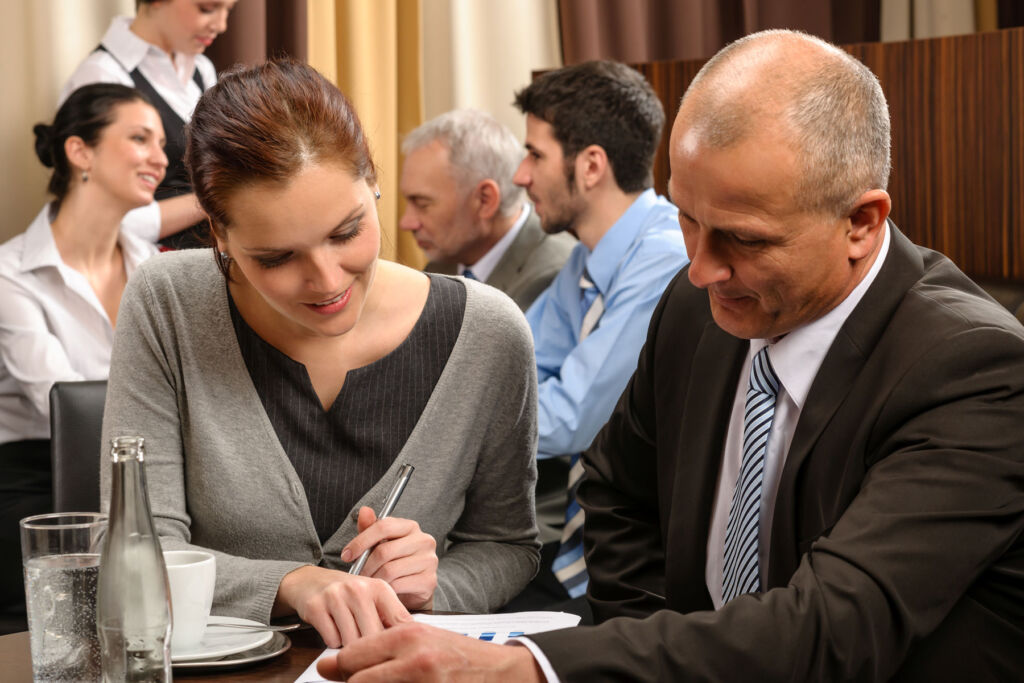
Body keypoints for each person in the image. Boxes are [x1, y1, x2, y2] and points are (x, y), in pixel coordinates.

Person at [317, 29, 1024, 682]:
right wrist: (651, 654)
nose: (700, 268)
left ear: (862, 223)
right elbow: (617, 487)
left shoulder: (975, 373)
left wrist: (525, 668)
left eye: (744, 239)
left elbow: (829, 628)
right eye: (687, 217)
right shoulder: (700, 307)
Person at [99, 59, 541, 649]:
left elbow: (508, 546)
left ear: (373, 181)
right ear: (220, 235)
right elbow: (137, 554)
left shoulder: (490, 334)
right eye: (277, 259)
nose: (327, 280)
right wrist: (294, 585)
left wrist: (436, 586)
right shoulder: (168, 304)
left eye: (346, 231)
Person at [503, 60, 688, 614]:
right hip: (587, 548)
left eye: (535, 154)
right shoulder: (589, 259)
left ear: (590, 166)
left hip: (645, 569)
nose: (521, 174)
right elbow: (515, 371)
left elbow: (566, 420)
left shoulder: (663, 260)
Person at [0, 83, 165, 626]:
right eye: (140, 138)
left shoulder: (157, 271)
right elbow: (63, 406)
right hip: (36, 478)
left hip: (141, 469)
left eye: (162, 143)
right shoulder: (10, 274)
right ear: (80, 152)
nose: (161, 159)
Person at [61, 0, 236, 246]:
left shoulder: (201, 68)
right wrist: (216, 200)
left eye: (228, 10)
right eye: (206, 8)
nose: (221, 25)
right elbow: (102, 217)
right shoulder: (103, 76)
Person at [399, 109, 575, 311]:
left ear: (485, 200)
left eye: (422, 204)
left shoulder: (551, 276)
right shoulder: (441, 264)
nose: (406, 223)